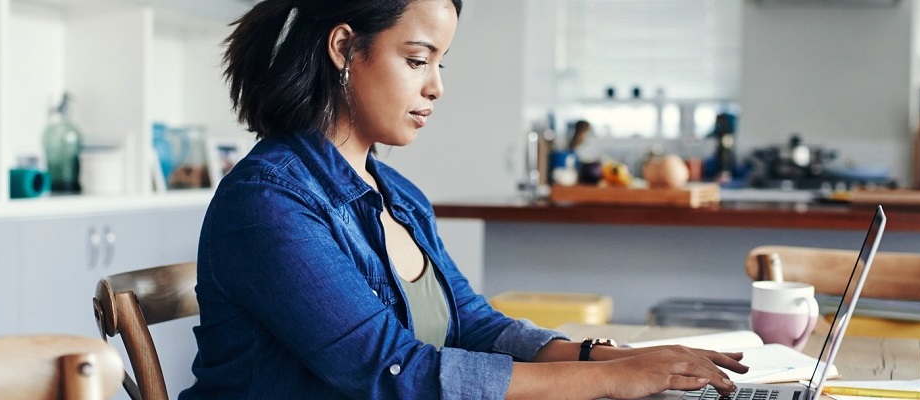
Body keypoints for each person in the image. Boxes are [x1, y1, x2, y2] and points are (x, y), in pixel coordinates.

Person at [181, 1, 748, 399]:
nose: (436, 86)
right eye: (416, 59)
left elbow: (473, 327)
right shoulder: (269, 203)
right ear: (345, 48)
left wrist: (613, 356)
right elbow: (393, 372)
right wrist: (611, 381)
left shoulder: (398, 196)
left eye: (439, 63)